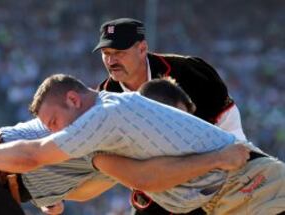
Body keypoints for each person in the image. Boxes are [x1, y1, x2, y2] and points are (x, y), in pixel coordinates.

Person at [0, 74, 285, 215]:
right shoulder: (94, 124)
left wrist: (51, 193)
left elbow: (89, 186)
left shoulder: (102, 130)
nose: (176, 130)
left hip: (244, 188)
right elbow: (34, 155)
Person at [93, 17, 247, 214]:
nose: (111, 60)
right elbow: (102, 159)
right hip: (153, 198)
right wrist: (56, 193)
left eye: (119, 53)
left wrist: (237, 178)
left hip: (209, 189)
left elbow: (230, 125)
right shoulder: (105, 97)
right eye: (106, 53)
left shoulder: (190, 71)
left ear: (142, 49)